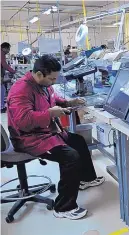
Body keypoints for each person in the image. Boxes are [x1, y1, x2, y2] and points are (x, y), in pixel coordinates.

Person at [7, 55, 104, 220]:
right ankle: (63, 207)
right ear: (39, 74)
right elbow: (23, 121)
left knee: (78, 141)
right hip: (29, 139)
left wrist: (68, 103)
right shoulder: (21, 90)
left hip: (46, 132)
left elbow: (52, 99)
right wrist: (50, 114)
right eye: (51, 79)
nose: (54, 82)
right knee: (70, 156)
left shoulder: (44, 85)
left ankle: (86, 179)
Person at [1, 42, 16, 113]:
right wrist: (12, 71)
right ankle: (1, 107)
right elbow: (4, 64)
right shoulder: (1, 53)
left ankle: (2, 106)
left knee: (2, 89)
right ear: (4, 48)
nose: (9, 51)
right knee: (2, 90)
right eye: (8, 49)